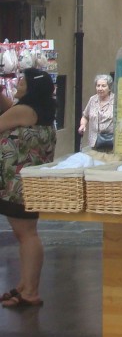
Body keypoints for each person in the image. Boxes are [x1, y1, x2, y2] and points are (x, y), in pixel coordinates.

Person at [0, 67, 58, 309]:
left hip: (17, 184)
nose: (17, 84)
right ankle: (25, 285)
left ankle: (31, 292)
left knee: (27, 235)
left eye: (22, 81)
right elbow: (8, 111)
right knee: (25, 234)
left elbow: (5, 118)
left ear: (32, 87)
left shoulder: (24, 111)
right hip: (28, 182)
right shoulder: (39, 111)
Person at [78, 73, 114, 149]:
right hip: (94, 143)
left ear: (109, 87)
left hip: (111, 142)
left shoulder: (116, 100)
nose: (100, 88)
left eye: (103, 86)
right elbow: (85, 116)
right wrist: (82, 125)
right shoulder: (92, 100)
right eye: (98, 86)